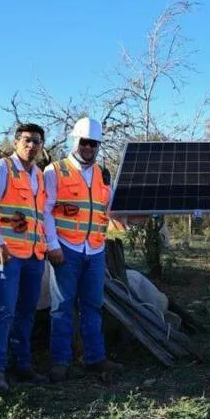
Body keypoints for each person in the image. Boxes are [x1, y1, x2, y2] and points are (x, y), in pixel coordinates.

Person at [43, 116, 120, 382]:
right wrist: (52, 245)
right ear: (75, 140)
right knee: (62, 306)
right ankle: (60, 361)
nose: (89, 147)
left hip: (95, 250)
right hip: (66, 247)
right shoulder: (55, 170)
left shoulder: (103, 173)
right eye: (85, 142)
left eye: (94, 143)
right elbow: (45, 210)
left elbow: (108, 210)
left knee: (92, 306)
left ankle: (95, 359)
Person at [0, 123, 49, 392]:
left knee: (26, 312)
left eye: (37, 142)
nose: (32, 146)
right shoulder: (1, 169)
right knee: (3, 310)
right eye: (27, 140)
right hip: (5, 253)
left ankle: (22, 364)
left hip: (33, 254)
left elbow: (42, 215)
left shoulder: (39, 176)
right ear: (16, 142)